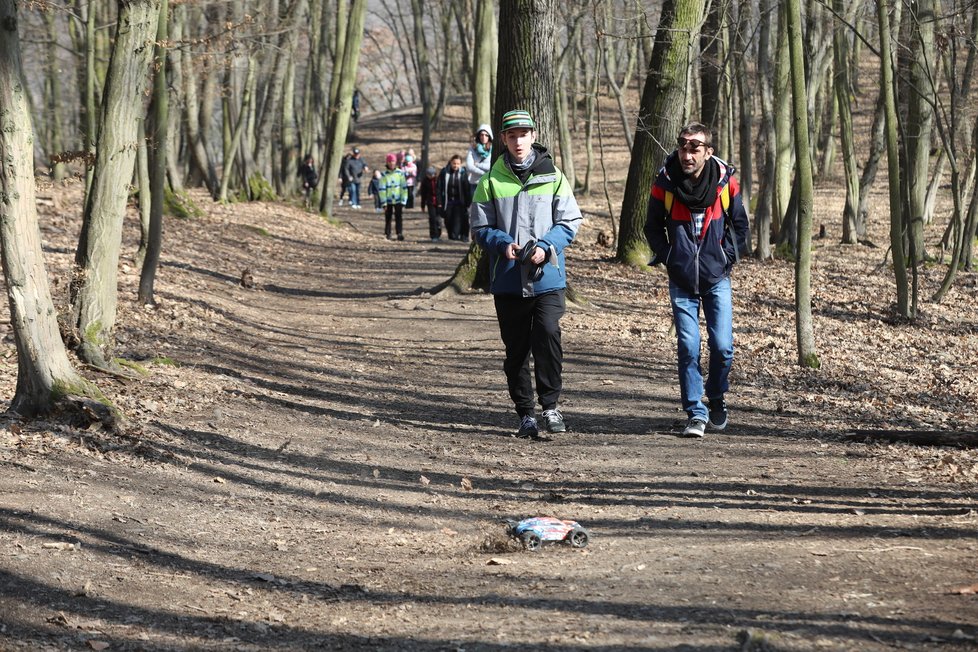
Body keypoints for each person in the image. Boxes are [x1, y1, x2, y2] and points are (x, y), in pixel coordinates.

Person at [469, 109, 582, 438]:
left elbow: (570, 221)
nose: (518, 141)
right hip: (507, 279)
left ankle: (551, 406)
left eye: (524, 134)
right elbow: (480, 227)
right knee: (516, 350)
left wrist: (546, 246)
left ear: (534, 136)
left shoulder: (553, 175)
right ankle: (526, 414)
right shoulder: (490, 180)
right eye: (512, 135)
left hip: (547, 278)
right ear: (503, 139)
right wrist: (502, 243)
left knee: (547, 334)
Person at [644, 122, 750, 438]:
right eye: (683, 146)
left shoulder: (725, 182)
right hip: (681, 279)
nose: (687, 154)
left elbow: (741, 227)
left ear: (708, 151)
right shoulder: (664, 183)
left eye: (695, 148)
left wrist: (725, 256)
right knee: (688, 345)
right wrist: (670, 256)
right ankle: (696, 412)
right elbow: (651, 227)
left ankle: (716, 396)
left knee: (723, 347)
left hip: (716, 277)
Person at [438, 155, 472, 241]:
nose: (455, 166)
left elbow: (467, 189)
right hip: (448, 201)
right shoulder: (444, 172)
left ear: (460, 164)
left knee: (459, 220)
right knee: (448, 220)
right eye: (454, 163)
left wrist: (468, 201)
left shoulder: (463, 173)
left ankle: (462, 235)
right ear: (450, 163)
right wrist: (439, 201)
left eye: (458, 164)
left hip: (460, 202)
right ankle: (452, 235)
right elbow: (439, 187)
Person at [378, 153, 408, 240]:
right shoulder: (384, 175)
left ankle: (399, 233)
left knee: (399, 217)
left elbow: (404, 187)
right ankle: (388, 233)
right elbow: (382, 189)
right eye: (390, 162)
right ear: (387, 163)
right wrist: (384, 202)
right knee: (388, 217)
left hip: (398, 200)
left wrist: (404, 200)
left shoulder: (400, 173)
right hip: (388, 200)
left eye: (393, 161)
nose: (392, 163)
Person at [465, 124, 493, 194]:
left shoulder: (493, 149)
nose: (484, 137)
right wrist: (484, 173)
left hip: (489, 183)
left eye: (486, 135)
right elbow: (469, 167)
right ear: (478, 136)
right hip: (475, 184)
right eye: (482, 135)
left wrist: (478, 165)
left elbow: (492, 166)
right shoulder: (472, 148)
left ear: (489, 136)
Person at [419, 166, 442, 241]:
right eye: (429, 175)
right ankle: (433, 235)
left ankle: (438, 234)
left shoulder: (438, 180)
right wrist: (422, 205)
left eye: (433, 175)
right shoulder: (425, 182)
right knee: (432, 219)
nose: (431, 176)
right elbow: (423, 194)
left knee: (438, 219)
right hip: (430, 202)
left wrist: (441, 202)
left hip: (438, 202)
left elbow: (441, 192)